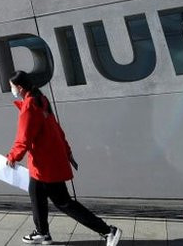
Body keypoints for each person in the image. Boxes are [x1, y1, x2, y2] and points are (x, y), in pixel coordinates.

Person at [6, 71, 121, 246]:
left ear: (19, 87)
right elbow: (57, 131)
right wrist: (67, 152)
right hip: (46, 162)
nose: (11, 89)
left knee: (64, 203)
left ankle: (108, 231)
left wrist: (12, 157)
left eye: (11, 86)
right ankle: (42, 233)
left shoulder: (30, 106)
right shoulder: (41, 101)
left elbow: (23, 139)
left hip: (45, 166)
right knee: (36, 195)